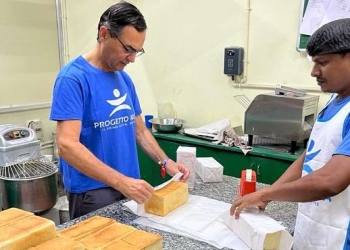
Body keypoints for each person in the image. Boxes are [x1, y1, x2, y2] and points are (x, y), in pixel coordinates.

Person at [50, 1, 189, 220]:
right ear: (104, 34)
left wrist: (167, 162)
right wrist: (121, 182)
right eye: (128, 49)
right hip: (94, 192)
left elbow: (140, 131)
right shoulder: (73, 79)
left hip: (130, 187)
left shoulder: (123, 79)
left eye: (137, 51)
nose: (132, 58)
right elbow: (67, 146)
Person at [231, 18, 350, 250]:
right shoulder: (334, 102)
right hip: (313, 229)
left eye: (323, 62)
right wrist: (267, 194)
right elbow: (309, 157)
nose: (314, 72)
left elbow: (330, 180)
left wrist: (267, 193)